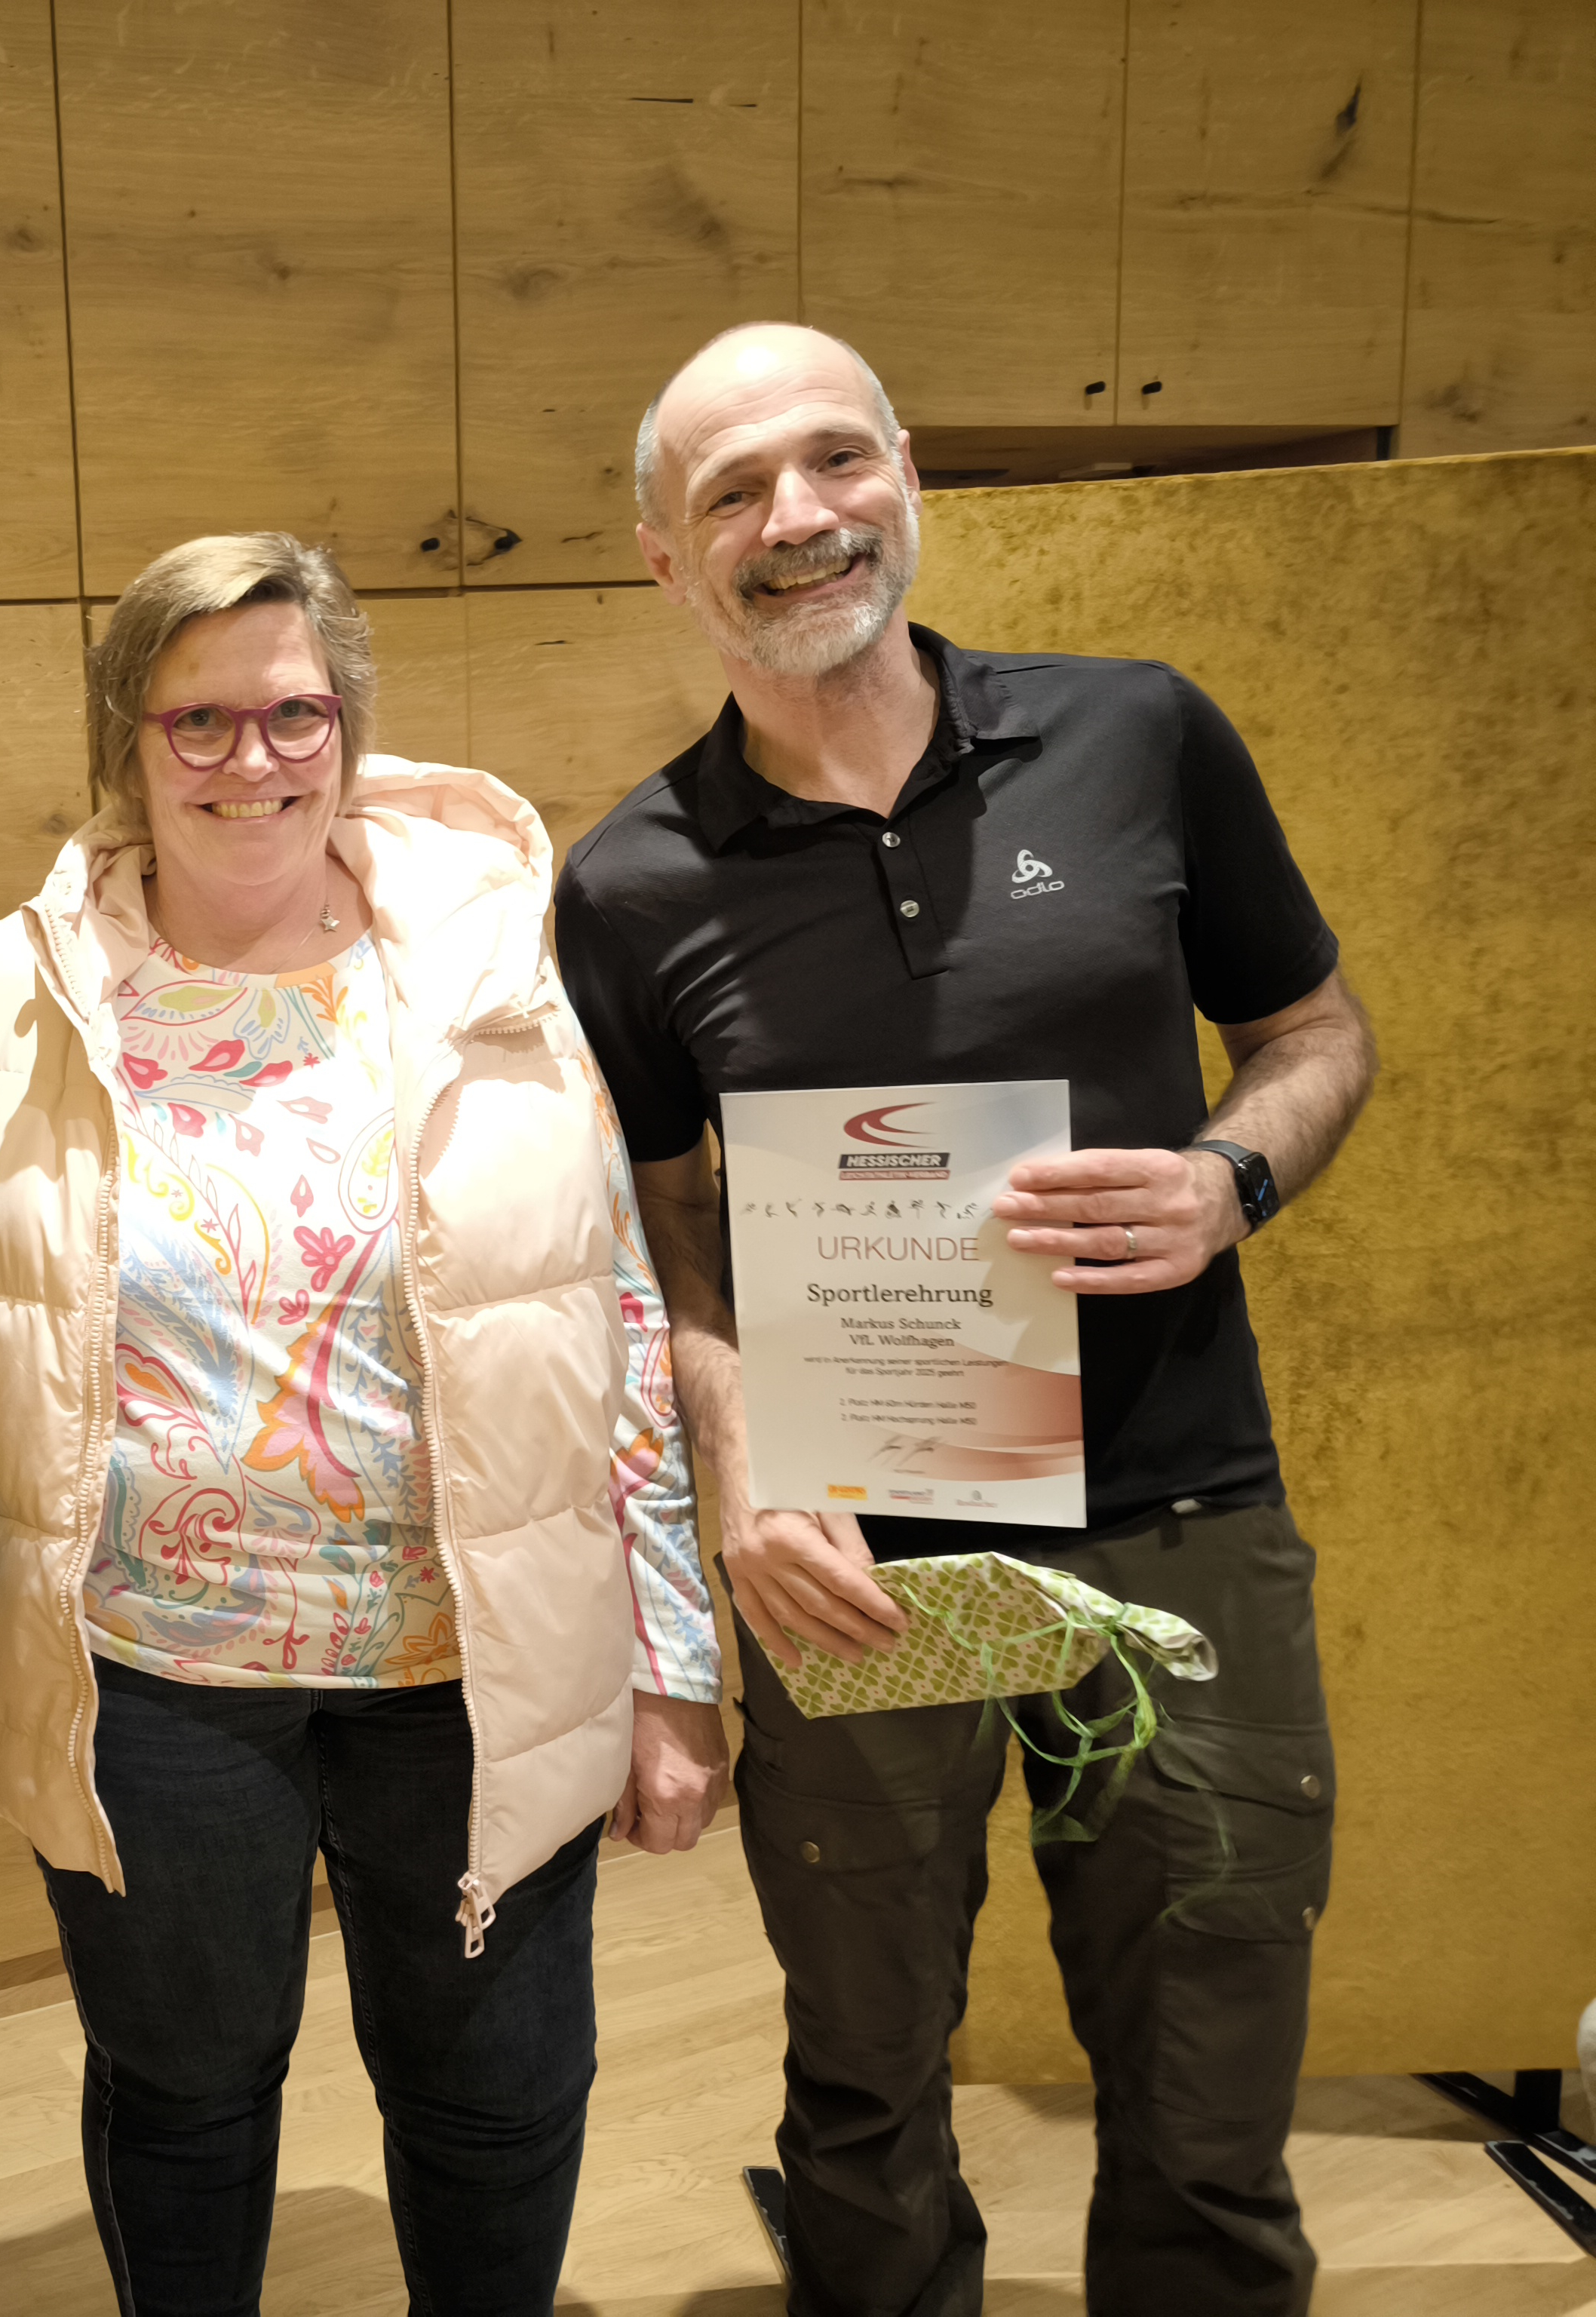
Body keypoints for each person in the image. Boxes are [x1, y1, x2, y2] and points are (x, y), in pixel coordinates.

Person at [559, 321, 1377, 2317]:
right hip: (865, 1561)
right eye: (733, 493)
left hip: (1181, 1519)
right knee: (864, 2095)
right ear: (670, 557)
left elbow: (1312, 1032)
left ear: (906, 473)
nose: (798, 519)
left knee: (1206, 2102)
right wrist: (742, 1477)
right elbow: (671, 1232)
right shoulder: (631, 882)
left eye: (832, 462)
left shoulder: (1141, 734)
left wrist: (1229, 1179)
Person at [0, 531, 724, 2317]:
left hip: (468, 1668)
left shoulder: (498, 967)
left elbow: (618, 1320)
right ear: (124, 739)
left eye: (291, 714)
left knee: (491, 2102)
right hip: (156, 1679)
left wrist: (673, 1658)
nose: (247, 761)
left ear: (347, 725)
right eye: (196, 721)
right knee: (184, 2099)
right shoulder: (16, 991)